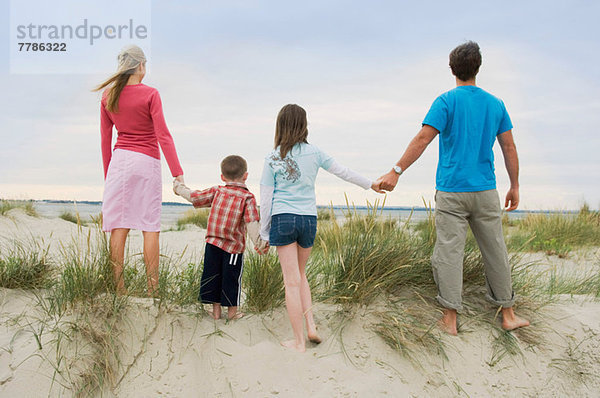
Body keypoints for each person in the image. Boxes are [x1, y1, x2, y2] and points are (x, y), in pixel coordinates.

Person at [377, 41, 530, 335]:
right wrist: (515, 185)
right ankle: (508, 314)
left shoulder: (445, 101)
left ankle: (450, 319)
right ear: (478, 67)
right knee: (495, 250)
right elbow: (508, 147)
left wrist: (396, 171)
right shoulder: (495, 104)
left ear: (452, 69)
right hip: (486, 190)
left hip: (451, 191)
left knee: (449, 252)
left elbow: (423, 139)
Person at [260, 104, 383, 352]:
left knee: (291, 282)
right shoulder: (315, 152)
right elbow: (343, 172)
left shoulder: (272, 157)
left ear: (280, 125)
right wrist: (372, 184)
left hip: (284, 218)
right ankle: (311, 326)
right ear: (304, 125)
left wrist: (264, 232)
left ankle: (298, 342)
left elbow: (266, 197)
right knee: (301, 275)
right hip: (308, 220)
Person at [94, 45, 184, 296]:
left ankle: (119, 290)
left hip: (119, 162)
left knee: (118, 226)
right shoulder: (151, 94)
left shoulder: (107, 96)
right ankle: (152, 291)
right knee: (149, 226)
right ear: (141, 66)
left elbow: (104, 139)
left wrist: (108, 175)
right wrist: (177, 172)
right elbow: (163, 135)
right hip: (147, 161)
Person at [173, 155, 269, 320]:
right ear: (246, 175)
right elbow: (251, 222)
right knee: (231, 278)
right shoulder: (247, 197)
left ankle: (216, 312)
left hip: (212, 244)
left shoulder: (217, 191)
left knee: (213, 275)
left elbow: (195, 197)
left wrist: (179, 187)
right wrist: (260, 244)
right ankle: (232, 313)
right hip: (233, 248)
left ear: (222, 177)